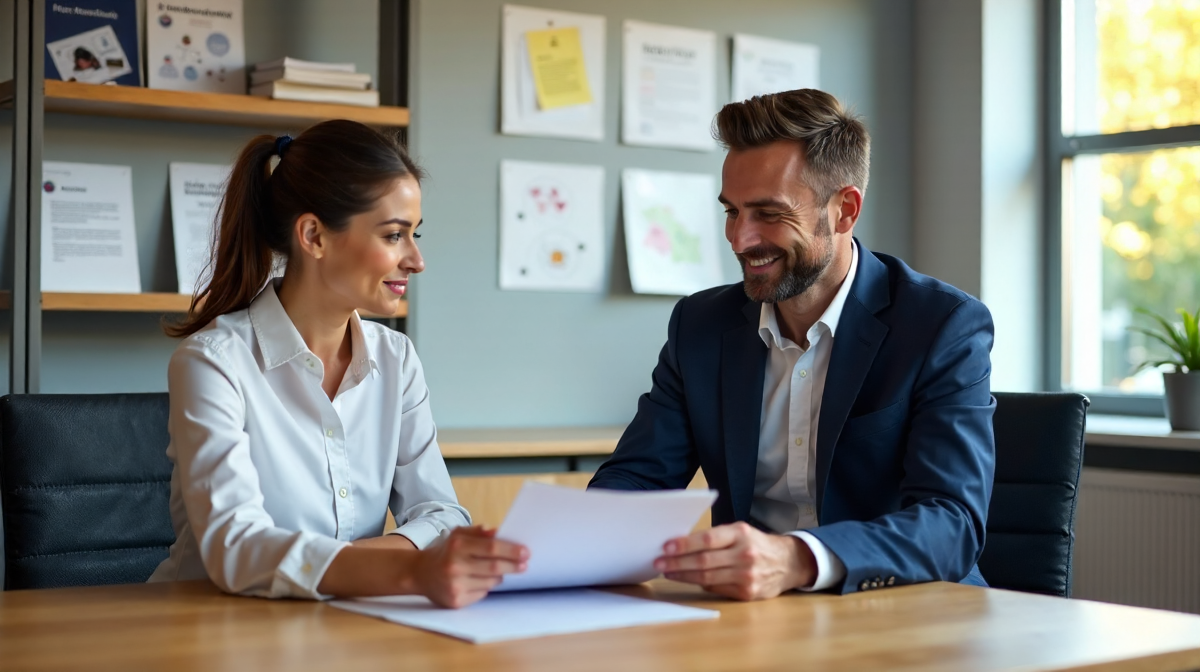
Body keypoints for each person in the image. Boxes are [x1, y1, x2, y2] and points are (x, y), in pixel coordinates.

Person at [589, 89, 995, 599]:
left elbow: (952, 525)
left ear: (844, 211)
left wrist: (798, 558)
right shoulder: (700, 324)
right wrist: (565, 545)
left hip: (906, 608)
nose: (740, 239)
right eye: (732, 212)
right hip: (754, 616)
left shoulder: (941, 325)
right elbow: (638, 478)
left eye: (768, 214)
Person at [149, 120, 528, 607]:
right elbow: (235, 547)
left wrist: (371, 568)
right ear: (313, 235)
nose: (416, 259)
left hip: (344, 622)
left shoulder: (396, 359)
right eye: (394, 235)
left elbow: (442, 514)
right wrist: (407, 567)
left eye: (415, 234)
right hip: (208, 628)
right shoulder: (211, 363)